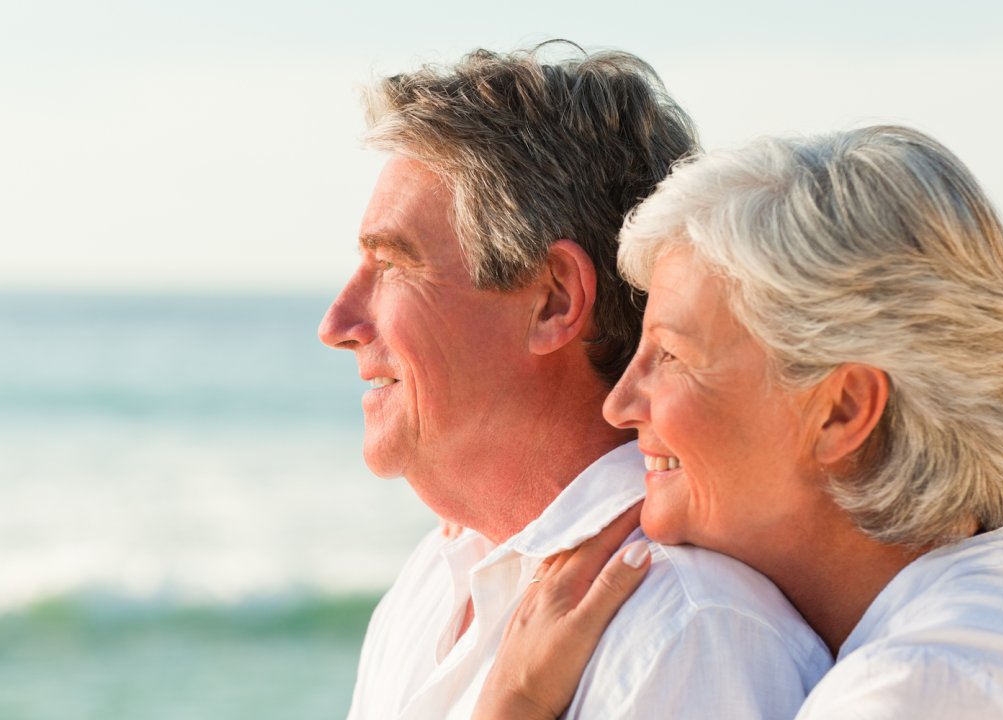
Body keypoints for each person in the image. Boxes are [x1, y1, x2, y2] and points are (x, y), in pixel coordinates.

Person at [320, 43, 831, 720]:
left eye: (393, 265)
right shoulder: (434, 581)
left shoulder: (686, 632)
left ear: (555, 301)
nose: (339, 322)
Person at [474, 125, 1003, 719]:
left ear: (840, 412)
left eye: (672, 356)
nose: (621, 403)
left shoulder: (910, 690)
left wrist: (515, 705)